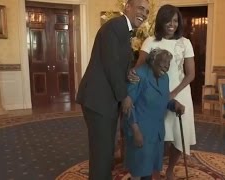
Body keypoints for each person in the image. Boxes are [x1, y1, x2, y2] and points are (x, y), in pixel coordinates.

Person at [75, 0, 149, 179]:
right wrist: (124, 96)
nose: (144, 13)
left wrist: (128, 72)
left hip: (104, 100)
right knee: (102, 154)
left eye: (147, 11)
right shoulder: (115, 26)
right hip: (98, 100)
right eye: (140, 8)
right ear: (128, 7)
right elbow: (110, 65)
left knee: (105, 152)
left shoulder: (124, 30)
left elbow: (116, 61)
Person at [128, 4, 196, 179]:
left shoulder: (185, 43)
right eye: (168, 20)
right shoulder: (150, 41)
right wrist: (132, 78)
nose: (172, 24)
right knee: (157, 133)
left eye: (175, 20)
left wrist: (173, 94)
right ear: (161, 21)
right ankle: (153, 168)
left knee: (178, 138)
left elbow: (191, 74)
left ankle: (170, 169)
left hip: (179, 93)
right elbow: (140, 66)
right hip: (153, 93)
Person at [123, 48, 185, 180]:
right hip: (141, 129)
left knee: (149, 168)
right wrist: (135, 130)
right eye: (163, 62)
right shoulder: (139, 75)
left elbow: (163, 98)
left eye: (168, 63)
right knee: (140, 169)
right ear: (152, 61)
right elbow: (128, 106)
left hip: (156, 131)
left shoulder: (164, 77)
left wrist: (174, 104)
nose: (166, 66)